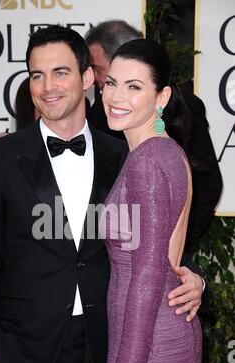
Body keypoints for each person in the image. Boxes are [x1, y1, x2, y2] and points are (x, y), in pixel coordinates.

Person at [0, 25, 203, 363]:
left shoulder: (123, 153)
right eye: (37, 75)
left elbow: (155, 241)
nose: (48, 86)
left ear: (87, 78)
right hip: (21, 354)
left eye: (60, 72)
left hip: (102, 351)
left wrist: (189, 277)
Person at [99, 38, 204, 363]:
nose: (116, 96)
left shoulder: (147, 162)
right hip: (159, 334)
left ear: (161, 97)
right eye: (111, 83)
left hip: (145, 348)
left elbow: (147, 270)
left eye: (133, 86)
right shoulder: (167, 153)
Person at [85, 20, 223, 257]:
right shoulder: (98, 113)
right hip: (112, 256)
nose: (95, 79)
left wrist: (174, 244)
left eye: (98, 68)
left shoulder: (187, 108)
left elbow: (207, 182)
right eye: (110, 82)